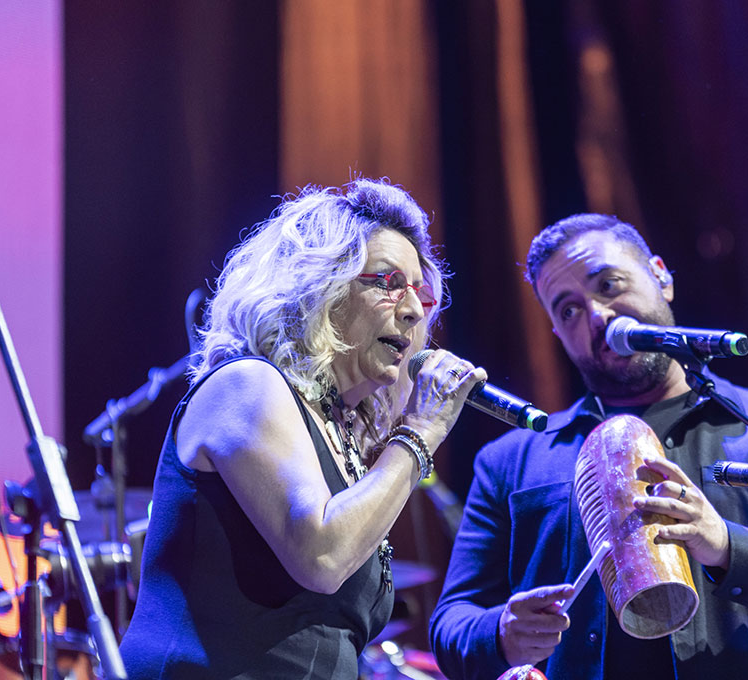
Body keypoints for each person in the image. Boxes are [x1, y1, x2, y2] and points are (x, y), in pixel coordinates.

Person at [430, 213, 748, 680]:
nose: (598, 316)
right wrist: (501, 633)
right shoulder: (509, 461)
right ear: (557, 334)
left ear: (661, 277)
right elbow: (450, 625)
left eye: (609, 285)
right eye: (568, 311)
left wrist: (726, 546)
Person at [120, 179, 486, 679]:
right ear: (318, 287)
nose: (412, 310)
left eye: (419, 292)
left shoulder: (345, 438)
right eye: (387, 281)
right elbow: (322, 555)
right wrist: (419, 432)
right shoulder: (247, 386)